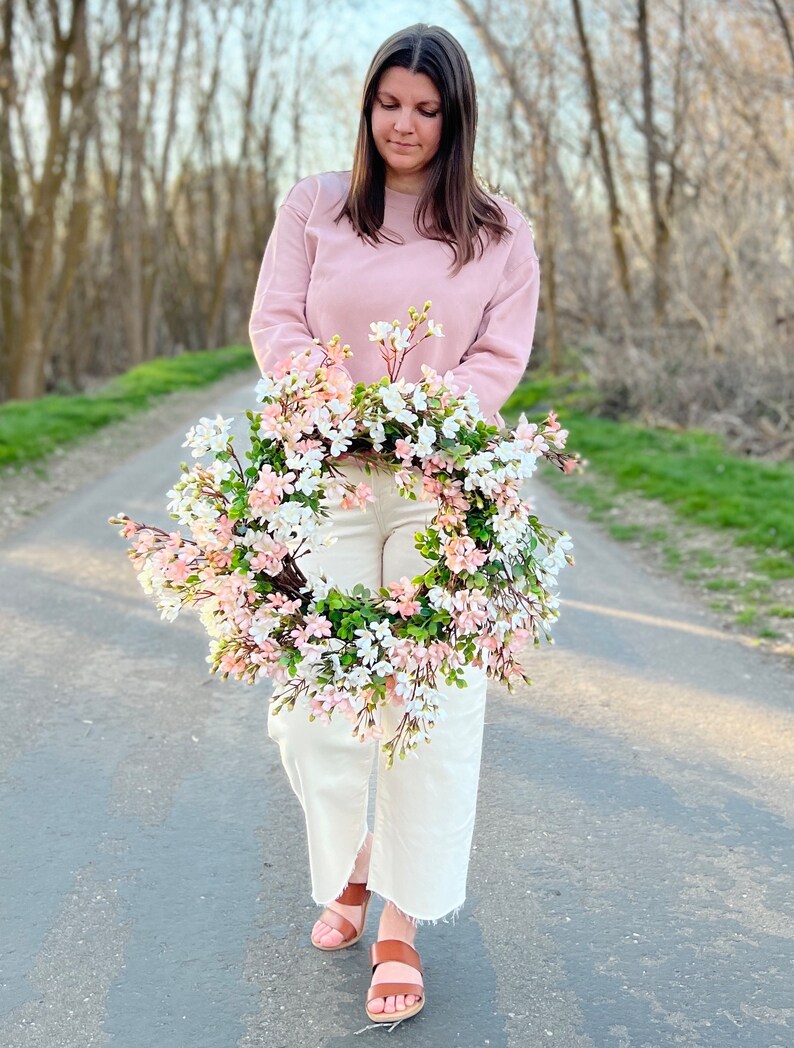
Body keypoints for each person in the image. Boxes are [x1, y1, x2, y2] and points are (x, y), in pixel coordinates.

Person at [248, 23, 540, 1025]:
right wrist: (336, 401)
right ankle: (357, 858)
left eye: (427, 108)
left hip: (438, 491)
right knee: (309, 704)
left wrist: (423, 420)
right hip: (325, 475)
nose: (404, 124)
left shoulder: (496, 230)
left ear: (453, 121)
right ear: (367, 105)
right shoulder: (316, 204)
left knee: (431, 710)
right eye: (389, 103)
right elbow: (275, 320)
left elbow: (498, 360)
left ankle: (400, 922)